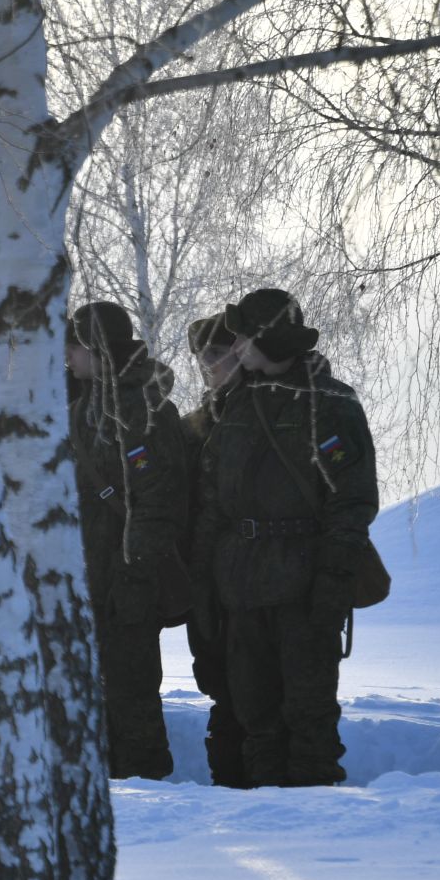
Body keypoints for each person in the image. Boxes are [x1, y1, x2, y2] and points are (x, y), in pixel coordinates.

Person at [193, 289, 378, 786]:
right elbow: (213, 499)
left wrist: (333, 582)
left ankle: (311, 829)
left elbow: (352, 501)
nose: (235, 345)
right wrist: (203, 583)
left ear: (266, 338)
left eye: (244, 334)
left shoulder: (331, 402)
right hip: (240, 585)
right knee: (255, 717)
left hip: (305, 583)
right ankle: (268, 823)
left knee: (308, 716)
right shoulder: (235, 403)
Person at [66, 300, 191, 780]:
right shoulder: (80, 412)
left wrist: (134, 575)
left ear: (98, 349)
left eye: (75, 347)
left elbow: (160, 501)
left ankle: (148, 807)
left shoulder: (147, 410)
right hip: (85, 584)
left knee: (133, 703)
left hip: (128, 583)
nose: (67, 357)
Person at [181, 314, 248, 784]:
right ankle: (229, 784)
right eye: (202, 358)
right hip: (207, 579)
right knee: (221, 685)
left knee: (256, 690)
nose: (209, 366)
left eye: (217, 354)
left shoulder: (256, 416)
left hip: (251, 574)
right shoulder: (196, 423)